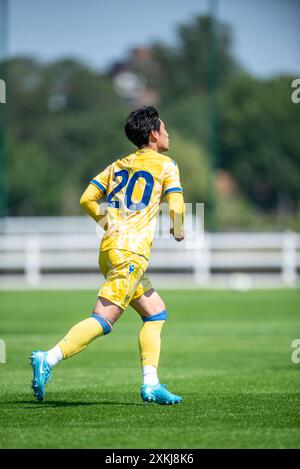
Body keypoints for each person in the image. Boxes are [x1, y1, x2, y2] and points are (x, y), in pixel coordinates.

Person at [30, 105, 185, 405]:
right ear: (154, 135)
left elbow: (87, 198)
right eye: (165, 129)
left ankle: (151, 384)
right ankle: (47, 358)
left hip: (110, 249)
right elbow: (177, 206)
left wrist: (109, 224)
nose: (168, 133)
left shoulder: (118, 164)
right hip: (130, 254)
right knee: (105, 319)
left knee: (155, 312)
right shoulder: (167, 165)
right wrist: (178, 229)